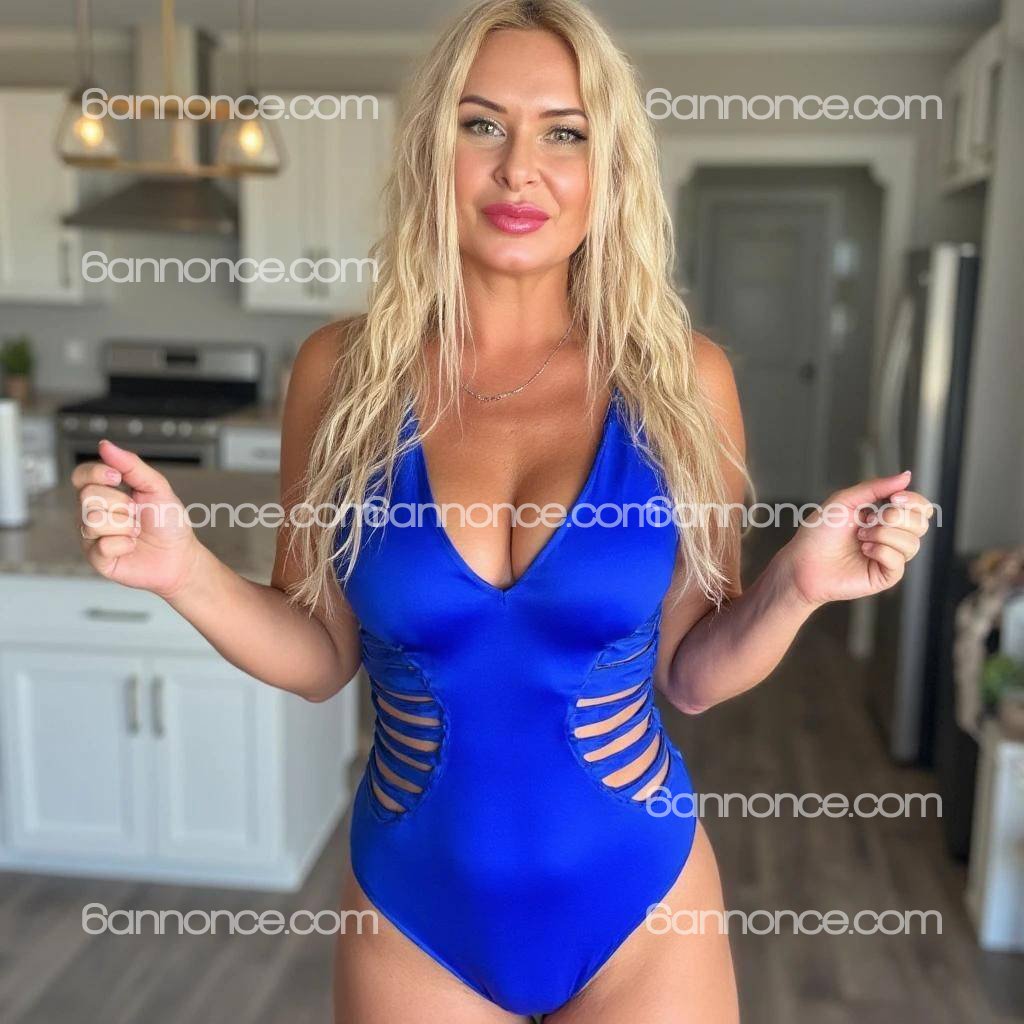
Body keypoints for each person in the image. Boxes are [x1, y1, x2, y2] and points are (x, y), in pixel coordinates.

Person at [72, 2, 934, 1020]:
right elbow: (320, 655)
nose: (520, 168)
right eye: (481, 124)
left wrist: (796, 585)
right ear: (430, 151)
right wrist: (184, 572)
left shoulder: (681, 383)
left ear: (609, 166)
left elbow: (692, 675)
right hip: (415, 915)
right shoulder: (341, 375)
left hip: (642, 907)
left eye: (564, 132)